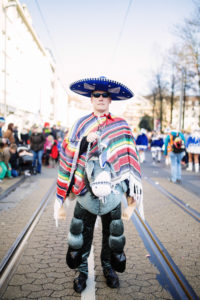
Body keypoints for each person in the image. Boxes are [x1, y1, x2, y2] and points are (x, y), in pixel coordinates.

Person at [54, 76, 143, 293]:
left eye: (105, 95)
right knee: (81, 233)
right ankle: (82, 272)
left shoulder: (121, 125)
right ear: (91, 99)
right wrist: (85, 141)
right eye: (97, 95)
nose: (101, 98)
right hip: (85, 191)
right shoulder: (80, 124)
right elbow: (67, 151)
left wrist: (131, 196)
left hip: (112, 191)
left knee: (111, 233)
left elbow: (130, 159)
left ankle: (108, 269)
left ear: (110, 99)